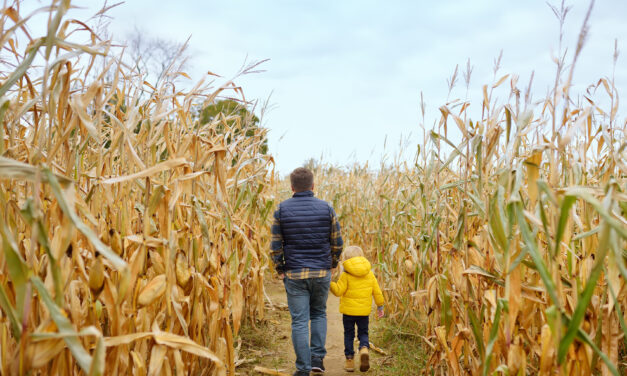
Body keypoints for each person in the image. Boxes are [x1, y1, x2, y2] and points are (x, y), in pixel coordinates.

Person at [271, 167, 343, 376]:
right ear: (313, 186)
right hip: (321, 272)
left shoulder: (281, 210)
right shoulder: (326, 208)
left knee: (300, 320)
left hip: (294, 274)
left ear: (292, 187)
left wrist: (280, 268)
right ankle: (317, 359)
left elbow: (276, 245)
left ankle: (302, 369)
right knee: (319, 313)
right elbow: (337, 241)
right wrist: (333, 262)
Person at [329, 245, 384, 372]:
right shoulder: (369, 274)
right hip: (363, 312)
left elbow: (338, 291)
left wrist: (330, 283)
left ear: (346, 260)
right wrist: (380, 306)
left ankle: (349, 361)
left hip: (348, 312)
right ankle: (364, 349)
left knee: (349, 334)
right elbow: (377, 292)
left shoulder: (346, 275)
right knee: (363, 333)